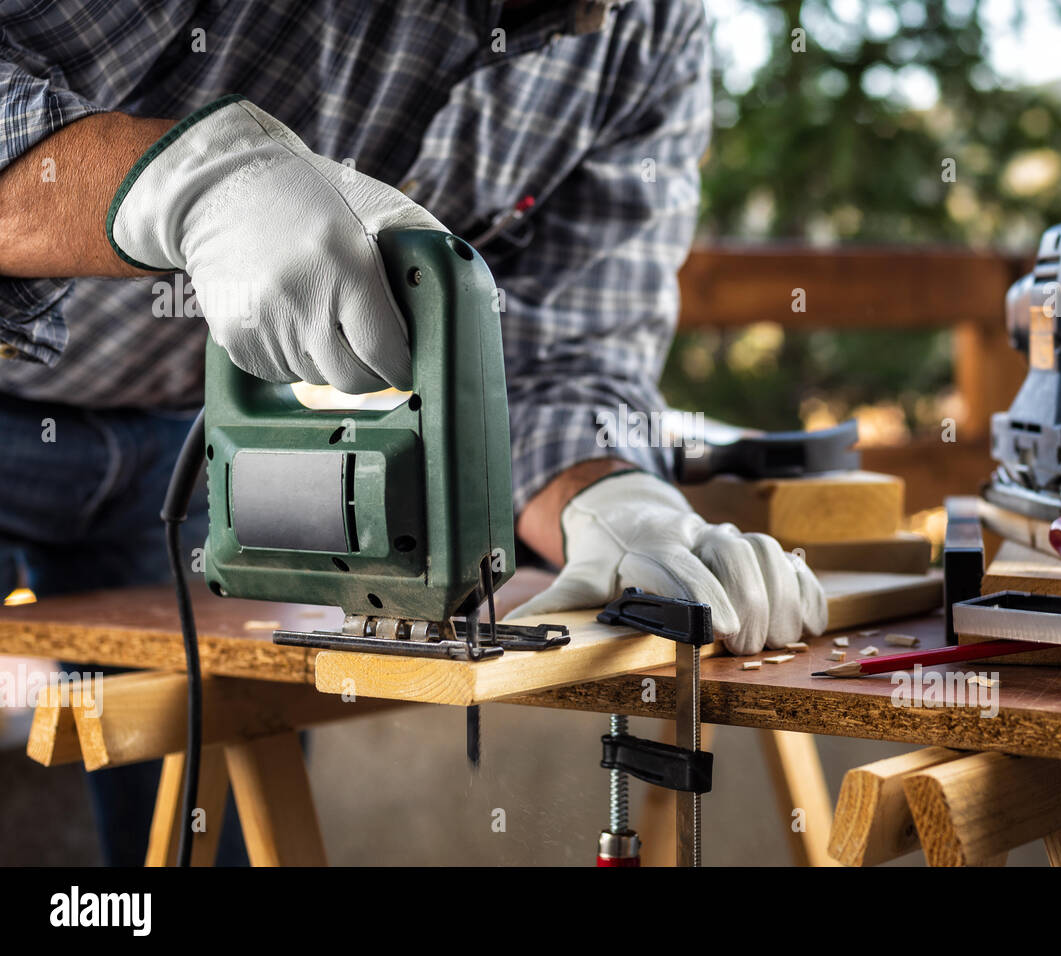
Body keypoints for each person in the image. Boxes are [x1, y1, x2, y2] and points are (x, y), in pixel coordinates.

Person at [0, 0, 826, 864]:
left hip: (184, 455)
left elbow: (558, 360)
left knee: (221, 831)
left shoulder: (649, 30)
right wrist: (180, 181)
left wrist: (614, 501)